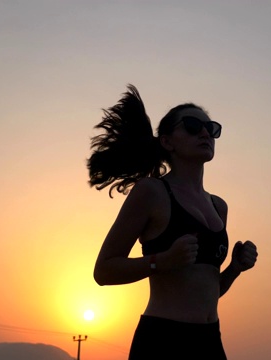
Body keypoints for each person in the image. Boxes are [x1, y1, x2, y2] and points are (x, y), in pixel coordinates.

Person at [87, 84, 258, 359]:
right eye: (192, 125)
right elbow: (103, 271)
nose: (205, 132)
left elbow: (205, 292)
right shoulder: (152, 192)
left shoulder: (218, 206)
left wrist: (235, 269)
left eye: (211, 128)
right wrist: (161, 261)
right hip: (163, 340)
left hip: (210, 340)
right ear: (167, 142)